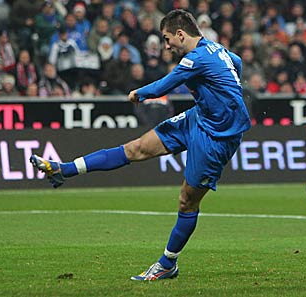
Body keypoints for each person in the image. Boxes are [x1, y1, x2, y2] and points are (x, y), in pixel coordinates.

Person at [30, 9, 251, 281]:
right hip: (199, 117)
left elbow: (164, 86)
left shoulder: (197, 58)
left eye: (168, 39)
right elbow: (237, 63)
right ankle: (64, 169)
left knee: (186, 202)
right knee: (135, 148)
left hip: (218, 137)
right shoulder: (219, 50)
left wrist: (139, 93)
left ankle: (168, 263)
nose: (166, 45)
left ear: (181, 35)